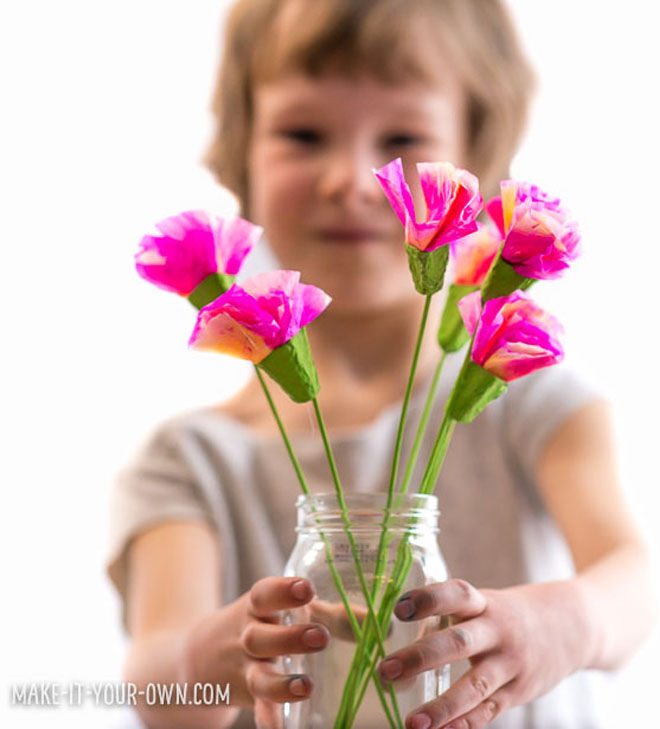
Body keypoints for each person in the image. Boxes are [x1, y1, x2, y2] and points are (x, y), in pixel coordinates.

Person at [106, 1, 656, 727]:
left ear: (476, 168)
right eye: (302, 134)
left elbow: (635, 580)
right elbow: (156, 683)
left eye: (402, 138)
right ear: (241, 159)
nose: (354, 180)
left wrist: (573, 620)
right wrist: (212, 657)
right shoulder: (190, 458)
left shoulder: (528, 395)